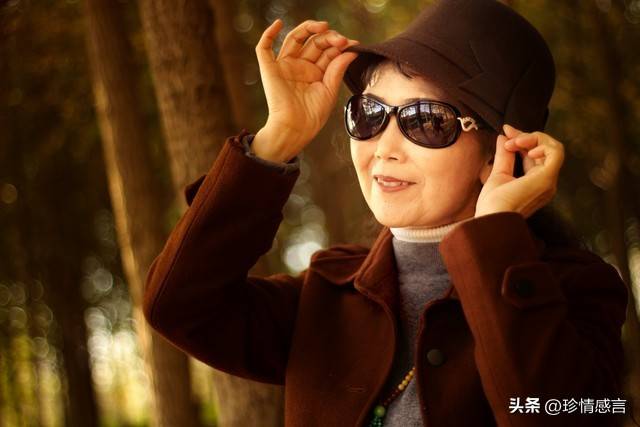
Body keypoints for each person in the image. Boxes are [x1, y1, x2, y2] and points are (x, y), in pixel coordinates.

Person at [142, 0, 629, 426]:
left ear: (499, 152)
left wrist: (497, 236)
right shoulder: (325, 296)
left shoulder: (576, 289)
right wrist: (278, 139)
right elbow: (177, 306)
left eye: (426, 121)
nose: (385, 148)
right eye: (369, 114)